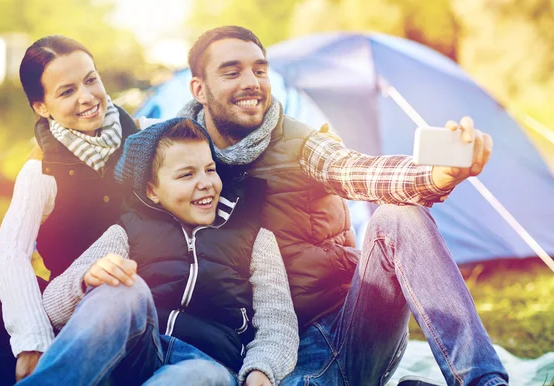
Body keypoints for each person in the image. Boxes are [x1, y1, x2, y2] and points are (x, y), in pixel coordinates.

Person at [139, 26, 508, 386]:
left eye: (260, 70)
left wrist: (435, 175)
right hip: (257, 351)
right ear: (198, 89)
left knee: (398, 215)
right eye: (232, 72)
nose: (251, 82)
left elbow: (358, 171)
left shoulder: (301, 144)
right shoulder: (177, 157)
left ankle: (482, 380)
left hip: (346, 327)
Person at [17, 117, 299, 386]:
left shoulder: (254, 238)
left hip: (210, 364)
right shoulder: (127, 231)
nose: (206, 183)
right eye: (187, 174)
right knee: (122, 286)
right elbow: (52, 307)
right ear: (152, 190)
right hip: (139, 354)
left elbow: (279, 323)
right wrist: (86, 280)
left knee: (197, 375)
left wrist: (262, 369)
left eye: (210, 169)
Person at [0, 35, 139, 384]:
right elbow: (11, 253)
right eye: (67, 91)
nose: (86, 97)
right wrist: (32, 342)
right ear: (41, 107)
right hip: (70, 305)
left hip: (140, 297)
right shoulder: (40, 169)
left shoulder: (140, 138)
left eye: (90, 80)